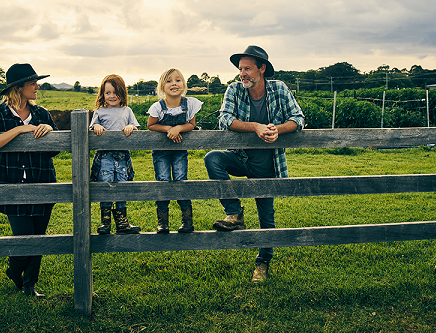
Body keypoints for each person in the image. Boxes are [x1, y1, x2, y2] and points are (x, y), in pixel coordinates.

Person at [204, 45, 305, 282]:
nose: (242, 74)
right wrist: (256, 127)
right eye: (241, 69)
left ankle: (262, 263)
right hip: (240, 158)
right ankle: (234, 213)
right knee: (213, 158)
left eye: (247, 68)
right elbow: (225, 119)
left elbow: (298, 119)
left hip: (268, 166)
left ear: (262, 69)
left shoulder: (279, 88)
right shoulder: (234, 90)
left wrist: (276, 130)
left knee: (266, 219)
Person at [0, 63, 58, 297]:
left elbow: (55, 150)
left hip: (42, 184)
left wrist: (48, 131)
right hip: (11, 187)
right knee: (24, 241)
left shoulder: (42, 113)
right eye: (32, 83)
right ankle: (15, 268)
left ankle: (30, 285)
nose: (37, 86)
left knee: (39, 240)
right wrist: (20, 130)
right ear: (19, 88)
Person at [147, 68, 203, 234]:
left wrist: (178, 127)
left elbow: (191, 125)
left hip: (179, 150)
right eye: (169, 81)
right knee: (163, 180)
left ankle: (187, 221)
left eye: (178, 80)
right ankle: (162, 222)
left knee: (181, 180)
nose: (174, 83)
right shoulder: (158, 107)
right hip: (161, 151)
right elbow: (151, 125)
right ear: (162, 87)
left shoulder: (189, 104)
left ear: (183, 85)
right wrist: (167, 129)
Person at [90, 74, 141, 234]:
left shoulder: (127, 111)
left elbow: (135, 126)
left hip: (122, 158)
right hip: (105, 157)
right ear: (102, 95)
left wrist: (131, 127)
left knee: (122, 186)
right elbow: (92, 128)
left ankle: (122, 222)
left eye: (116, 92)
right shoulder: (99, 112)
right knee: (105, 187)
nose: (112, 96)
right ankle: (105, 222)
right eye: (108, 93)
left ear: (122, 93)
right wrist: (96, 127)